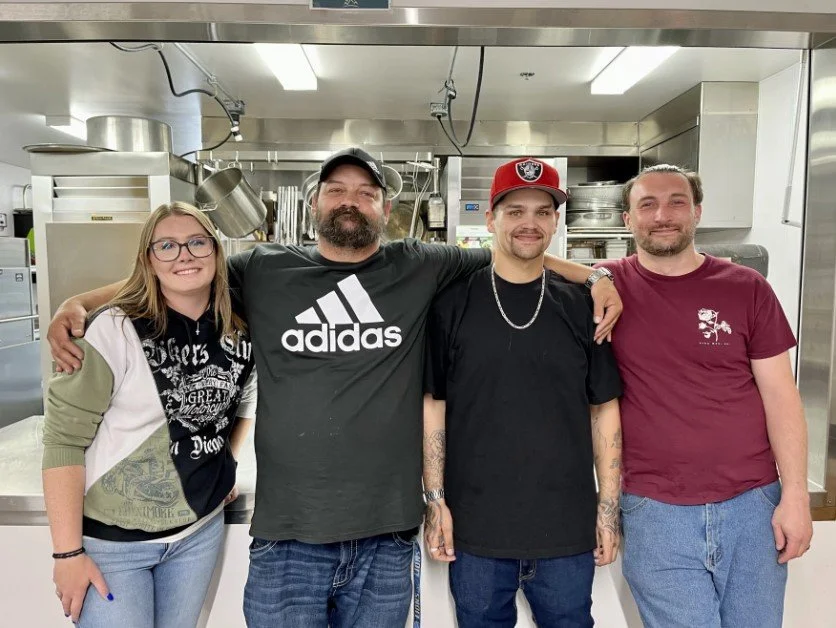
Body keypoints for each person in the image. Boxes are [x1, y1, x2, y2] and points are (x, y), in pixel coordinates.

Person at [47, 148, 622, 627]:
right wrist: (80, 303)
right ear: (316, 203)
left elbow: (518, 253)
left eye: (366, 193)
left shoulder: (420, 264)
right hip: (288, 534)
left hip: (387, 534)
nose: (351, 200)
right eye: (337, 190)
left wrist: (596, 275)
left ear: (386, 209)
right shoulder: (265, 268)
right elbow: (179, 272)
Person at [597, 164, 813, 628]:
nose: (662, 215)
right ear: (628, 219)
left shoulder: (747, 288)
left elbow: (781, 397)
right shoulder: (607, 284)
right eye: (647, 205)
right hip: (655, 510)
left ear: (697, 212)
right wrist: (593, 277)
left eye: (676, 202)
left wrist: (795, 494)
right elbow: (523, 263)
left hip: (753, 504)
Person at [422, 157, 623, 628]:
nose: (529, 223)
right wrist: (435, 501)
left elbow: (603, 410)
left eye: (542, 212)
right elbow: (434, 406)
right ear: (490, 220)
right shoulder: (451, 303)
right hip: (475, 530)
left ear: (556, 221)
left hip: (567, 529)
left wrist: (608, 509)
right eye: (515, 211)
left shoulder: (583, 306)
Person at [42, 202, 257, 627]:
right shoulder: (113, 329)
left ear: (216, 251)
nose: (184, 255)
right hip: (113, 544)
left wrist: (225, 462)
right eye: (167, 246)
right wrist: (67, 553)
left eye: (197, 242)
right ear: (148, 259)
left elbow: (245, 400)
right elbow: (63, 440)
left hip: (198, 534)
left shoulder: (239, 324)